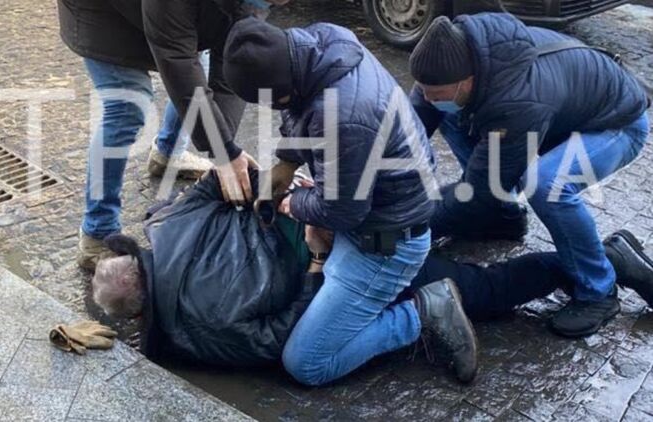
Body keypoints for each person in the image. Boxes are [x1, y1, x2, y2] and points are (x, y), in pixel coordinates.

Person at [90, 176, 653, 373]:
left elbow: (285, 336)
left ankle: (598, 260)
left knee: (482, 290)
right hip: (331, 216)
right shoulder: (167, 222)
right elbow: (228, 179)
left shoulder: (197, 332)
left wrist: (315, 260)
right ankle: (571, 249)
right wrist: (291, 194)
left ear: (141, 312)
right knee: (420, 222)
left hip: (343, 263)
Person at [221, 17, 480, 387]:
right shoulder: (321, 44)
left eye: (272, 103)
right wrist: (287, 163)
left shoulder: (342, 117)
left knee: (306, 363)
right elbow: (298, 110)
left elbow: (341, 211)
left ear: (281, 92)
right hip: (384, 201)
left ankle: (422, 313)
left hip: (385, 244)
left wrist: (293, 203)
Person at [408, 14, 651, 338]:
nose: (426, 97)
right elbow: (407, 136)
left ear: (468, 81)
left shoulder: (515, 102)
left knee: (546, 183)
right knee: (449, 116)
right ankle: (502, 216)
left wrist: (411, 225)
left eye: (435, 92)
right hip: (558, 114)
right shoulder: (448, 60)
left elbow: (481, 190)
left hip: (616, 124)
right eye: (423, 89)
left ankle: (599, 290)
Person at [56, 0, 291, 270]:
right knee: (127, 107)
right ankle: (97, 231)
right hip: (103, 12)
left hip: (166, 11)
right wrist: (224, 151)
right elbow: (177, 60)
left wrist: (224, 148)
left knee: (195, 69)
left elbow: (229, 62)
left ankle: (168, 154)